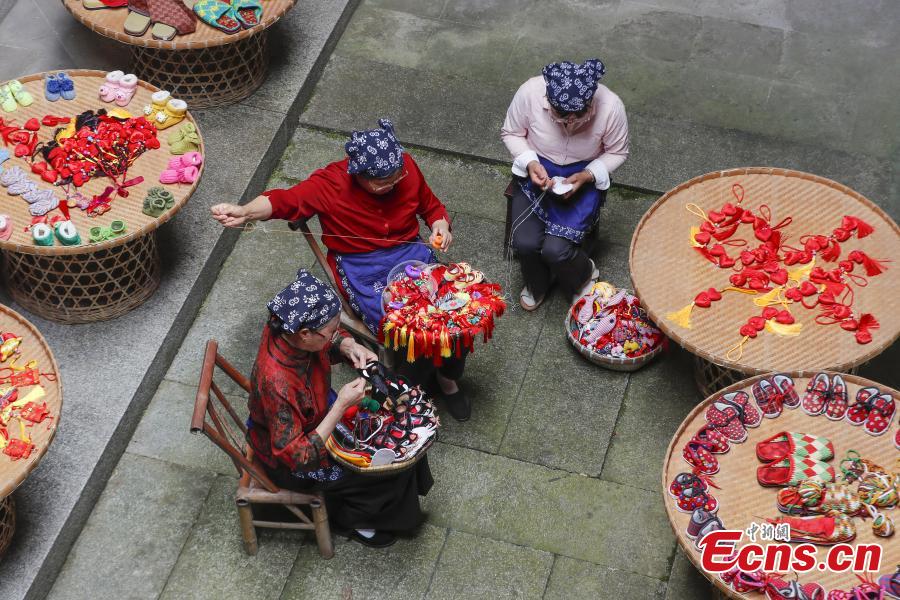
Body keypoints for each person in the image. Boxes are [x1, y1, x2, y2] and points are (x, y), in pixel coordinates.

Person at [211, 119, 473, 421]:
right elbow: (284, 201)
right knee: (408, 326)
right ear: (357, 175)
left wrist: (440, 223)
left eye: (396, 178)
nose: (392, 185)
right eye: (381, 183)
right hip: (362, 266)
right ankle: (406, 387)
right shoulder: (330, 184)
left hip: (409, 252)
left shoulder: (405, 168)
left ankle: (447, 378)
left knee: (454, 312)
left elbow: (430, 206)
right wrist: (245, 211)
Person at [248, 269, 434, 548]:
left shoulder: (286, 323)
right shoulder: (278, 383)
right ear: (305, 334)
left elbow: (326, 342)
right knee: (383, 465)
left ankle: (385, 505)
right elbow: (297, 456)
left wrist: (347, 345)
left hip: (317, 413)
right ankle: (355, 519)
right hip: (291, 459)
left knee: (403, 431)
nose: (336, 334)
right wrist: (340, 408)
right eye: (331, 331)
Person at [501, 59, 629, 310]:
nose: (570, 121)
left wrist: (588, 175)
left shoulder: (611, 106)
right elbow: (512, 132)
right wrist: (529, 162)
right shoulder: (529, 92)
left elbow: (617, 151)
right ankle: (537, 282)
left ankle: (583, 273)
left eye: (579, 115)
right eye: (561, 115)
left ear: (590, 103)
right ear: (548, 100)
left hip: (582, 173)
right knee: (525, 242)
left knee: (555, 251)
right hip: (538, 168)